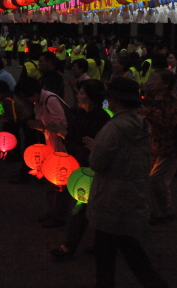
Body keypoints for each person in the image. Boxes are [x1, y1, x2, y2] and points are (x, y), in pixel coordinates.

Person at [87, 77, 168, 288]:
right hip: (133, 191)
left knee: (110, 251)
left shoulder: (113, 128)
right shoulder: (142, 124)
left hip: (109, 195)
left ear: (115, 100)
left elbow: (97, 163)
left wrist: (95, 148)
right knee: (126, 245)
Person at [50, 79, 111, 259]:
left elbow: (85, 140)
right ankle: (102, 244)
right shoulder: (80, 113)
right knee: (92, 209)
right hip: (81, 165)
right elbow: (78, 137)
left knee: (84, 207)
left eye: (82, 93)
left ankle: (69, 247)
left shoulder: (101, 118)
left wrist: (66, 134)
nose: (78, 95)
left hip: (94, 168)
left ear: (92, 97)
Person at [17, 77, 69, 228]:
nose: (28, 100)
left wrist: (43, 126)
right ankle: (52, 212)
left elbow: (60, 126)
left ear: (34, 92)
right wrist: (39, 126)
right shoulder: (39, 102)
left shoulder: (50, 100)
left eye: (28, 96)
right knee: (50, 185)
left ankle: (58, 216)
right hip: (51, 147)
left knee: (59, 185)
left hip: (61, 150)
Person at [141, 69, 177, 225]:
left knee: (156, 179)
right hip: (154, 145)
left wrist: (149, 115)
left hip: (170, 147)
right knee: (156, 181)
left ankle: (164, 212)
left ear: (166, 84)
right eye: (151, 79)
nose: (151, 82)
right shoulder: (150, 98)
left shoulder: (172, 100)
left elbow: (170, 123)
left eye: (155, 79)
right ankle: (163, 211)